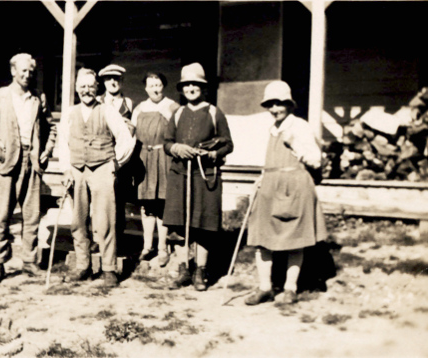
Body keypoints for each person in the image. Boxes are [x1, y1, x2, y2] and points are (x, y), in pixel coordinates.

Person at [245, 80, 327, 305]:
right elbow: (271, 160)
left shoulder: (299, 126)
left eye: (279, 104)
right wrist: (261, 179)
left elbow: (316, 160)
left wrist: (295, 146)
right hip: (271, 185)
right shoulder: (273, 129)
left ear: (289, 104)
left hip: (295, 186)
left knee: (295, 238)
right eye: (270, 104)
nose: (274, 109)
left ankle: (290, 288)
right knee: (262, 238)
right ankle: (265, 288)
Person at [0, 53, 56, 284]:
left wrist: (47, 151)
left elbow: (51, 128)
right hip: (7, 162)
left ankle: (29, 262)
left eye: (31, 71)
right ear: (13, 71)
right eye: (23, 71)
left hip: (31, 163)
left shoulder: (37, 98)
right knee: (2, 216)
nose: (27, 75)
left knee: (31, 216)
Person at [57, 68, 135, 288]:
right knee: (78, 220)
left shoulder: (107, 110)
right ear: (76, 89)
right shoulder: (69, 113)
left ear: (96, 88)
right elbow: (63, 143)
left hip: (102, 167)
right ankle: (83, 265)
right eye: (82, 87)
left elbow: (126, 139)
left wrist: (115, 163)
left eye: (91, 86)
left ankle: (109, 268)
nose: (87, 91)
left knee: (105, 220)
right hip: (77, 170)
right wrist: (65, 170)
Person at [163, 63, 233, 291]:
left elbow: (228, 144)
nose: (191, 88)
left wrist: (213, 154)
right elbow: (166, 142)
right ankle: (184, 269)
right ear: (182, 89)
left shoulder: (214, 112)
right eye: (187, 85)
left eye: (196, 84)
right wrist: (176, 149)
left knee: (203, 223)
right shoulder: (178, 113)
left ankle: (200, 271)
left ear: (203, 88)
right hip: (180, 175)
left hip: (205, 176)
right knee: (179, 222)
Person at [131, 72, 180, 267]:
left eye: (158, 85)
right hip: (144, 159)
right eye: (151, 85)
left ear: (163, 86)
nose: (155, 89)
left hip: (164, 158)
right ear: (145, 88)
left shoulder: (172, 107)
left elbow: (178, 132)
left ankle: (162, 247)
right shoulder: (140, 108)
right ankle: (147, 245)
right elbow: (130, 133)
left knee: (162, 204)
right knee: (146, 205)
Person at [98, 64, 136, 243]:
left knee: (119, 200)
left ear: (122, 81)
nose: (112, 82)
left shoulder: (129, 103)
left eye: (116, 78)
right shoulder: (98, 101)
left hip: (122, 160)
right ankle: (98, 239)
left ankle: (117, 240)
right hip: (102, 156)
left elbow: (133, 131)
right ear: (103, 82)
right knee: (100, 201)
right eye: (108, 78)